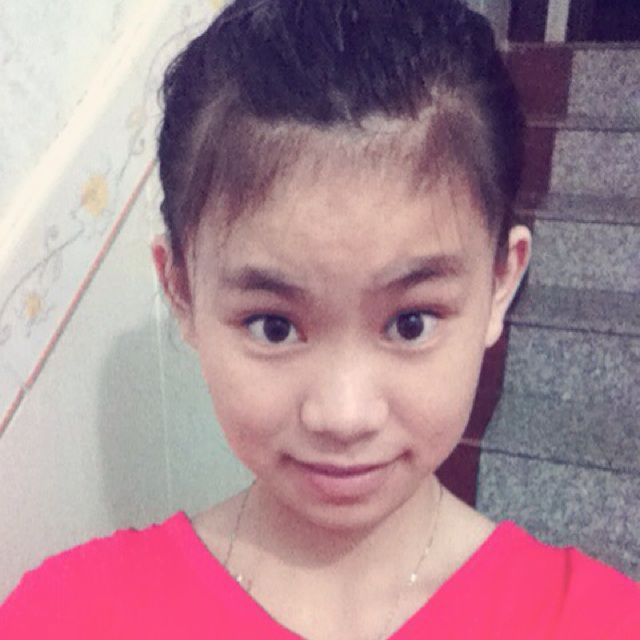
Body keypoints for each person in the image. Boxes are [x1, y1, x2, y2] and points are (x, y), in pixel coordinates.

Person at [1, 0, 638, 638]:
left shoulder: (598, 621)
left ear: (500, 283)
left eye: (411, 323)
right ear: (182, 291)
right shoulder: (68, 616)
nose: (343, 416)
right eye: (273, 326)